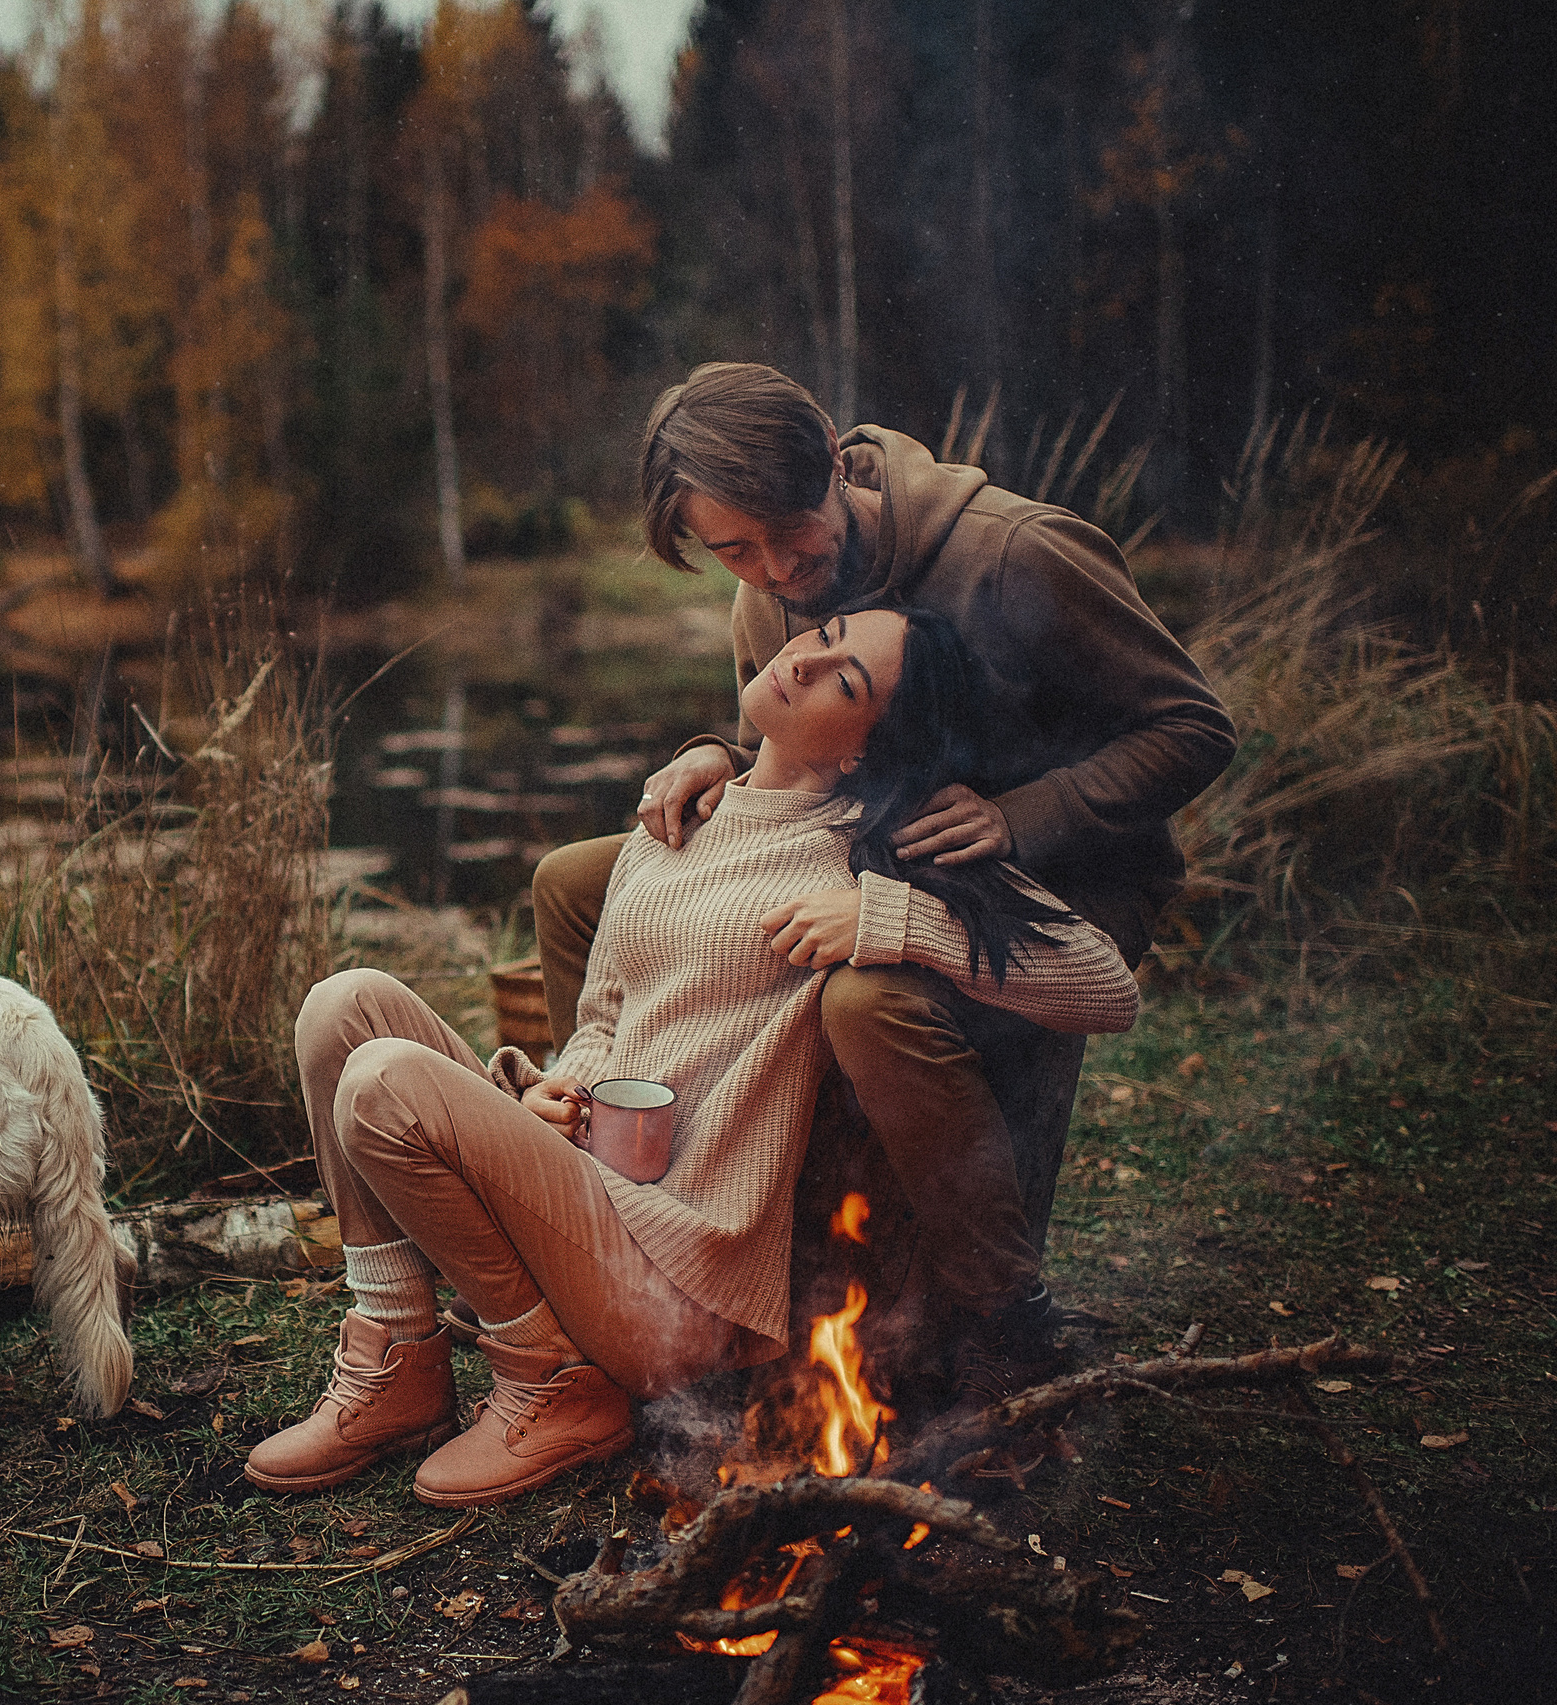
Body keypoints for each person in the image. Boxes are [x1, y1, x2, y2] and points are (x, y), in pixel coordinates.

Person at [247, 605, 1139, 1509]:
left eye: (845, 677)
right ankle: (397, 1351)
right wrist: (566, 1086)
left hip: (676, 1283)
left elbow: (1104, 983)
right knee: (342, 1007)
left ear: (864, 751)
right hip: (597, 1182)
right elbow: (604, 1015)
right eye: (823, 633)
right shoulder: (682, 813)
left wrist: (892, 919)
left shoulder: (875, 856)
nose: (803, 657)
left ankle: (551, 1383)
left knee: (382, 1084)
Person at [533, 363, 1233, 1382]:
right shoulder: (765, 593)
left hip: (1061, 882)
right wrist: (710, 756)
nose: (775, 568)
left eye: (789, 529)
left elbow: (1192, 728)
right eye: (733, 550)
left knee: (868, 999)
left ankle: (1001, 1306)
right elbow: (787, 750)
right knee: (573, 882)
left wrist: (1018, 818)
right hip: (860, 843)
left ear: (833, 462)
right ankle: (620, 1172)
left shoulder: (1017, 553)